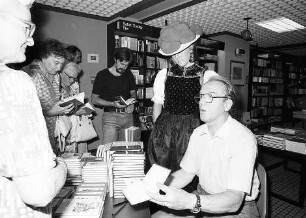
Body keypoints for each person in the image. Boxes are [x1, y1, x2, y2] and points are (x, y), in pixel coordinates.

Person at [148, 76, 260, 218]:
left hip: (237, 208)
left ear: (227, 105)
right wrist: (154, 185)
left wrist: (190, 201)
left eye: (210, 97)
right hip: (203, 195)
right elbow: (186, 173)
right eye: (201, 96)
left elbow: (235, 200)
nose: (201, 102)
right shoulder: (198, 132)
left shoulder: (243, 139)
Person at [0, 0, 67, 217]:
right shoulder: (13, 81)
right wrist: (64, 168)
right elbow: (39, 192)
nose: (30, 40)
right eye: (25, 26)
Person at [147, 23, 218, 187]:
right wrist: (156, 128)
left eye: (180, 52)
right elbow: (158, 103)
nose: (176, 57)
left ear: (191, 49)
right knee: (161, 170)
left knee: (187, 171)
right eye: (173, 54)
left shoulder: (206, 75)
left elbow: (214, 108)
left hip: (191, 129)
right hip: (164, 129)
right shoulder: (164, 74)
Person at [26, 39, 75, 155]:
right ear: (43, 57)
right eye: (56, 62)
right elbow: (26, 113)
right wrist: (51, 112)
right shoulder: (29, 75)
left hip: (52, 132)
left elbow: (53, 102)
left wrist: (63, 107)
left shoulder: (56, 76)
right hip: (34, 134)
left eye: (61, 64)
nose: (59, 68)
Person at [91, 47, 137, 144]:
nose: (124, 68)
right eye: (122, 64)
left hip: (128, 116)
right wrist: (112, 104)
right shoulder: (102, 75)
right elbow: (94, 99)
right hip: (111, 117)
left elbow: (133, 92)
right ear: (115, 59)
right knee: (108, 149)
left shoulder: (128, 73)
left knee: (128, 149)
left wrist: (132, 102)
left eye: (126, 65)